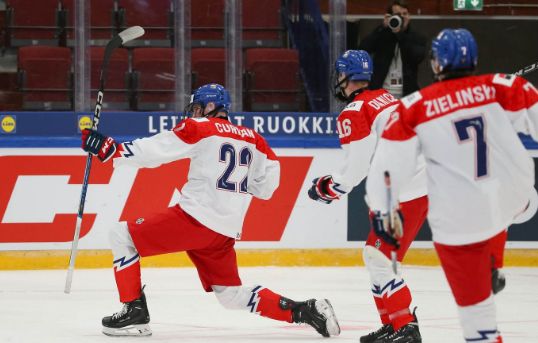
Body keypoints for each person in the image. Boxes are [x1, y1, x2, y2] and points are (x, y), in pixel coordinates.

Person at [366, 28, 538, 343]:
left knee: (478, 321)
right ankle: (492, 263)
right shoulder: (501, 85)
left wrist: (382, 211)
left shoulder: (413, 107)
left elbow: (387, 167)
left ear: (436, 64)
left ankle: (485, 274)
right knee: (494, 205)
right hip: (512, 195)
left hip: (459, 220)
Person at [80, 83, 341, 338]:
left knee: (122, 236)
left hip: (195, 219)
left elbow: (157, 150)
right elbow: (267, 187)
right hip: (223, 232)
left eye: (197, 107)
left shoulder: (200, 127)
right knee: (230, 295)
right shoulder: (255, 139)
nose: (193, 113)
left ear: (211, 106)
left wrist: (111, 149)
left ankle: (133, 311)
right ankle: (307, 310)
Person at [307, 49, 428, 343]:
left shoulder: (355, 111)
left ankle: (406, 329)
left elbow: (356, 167)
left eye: (340, 75)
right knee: (374, 256)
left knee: (378, 258)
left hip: (403, 189)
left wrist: (327, 187)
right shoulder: (388, 98)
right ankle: (393, 324)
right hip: (412, 183)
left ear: (347, 77)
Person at [359, 0, 427, 99]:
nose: (402, 17)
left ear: (409, 16)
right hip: (381, 93)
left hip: (407, 95)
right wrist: (381, 28)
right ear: (390, 16)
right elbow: (363, 48)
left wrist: (400, 34)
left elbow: (417, 57)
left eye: (405, 14)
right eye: (398, 14)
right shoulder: (382, 34)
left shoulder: (417, 37)